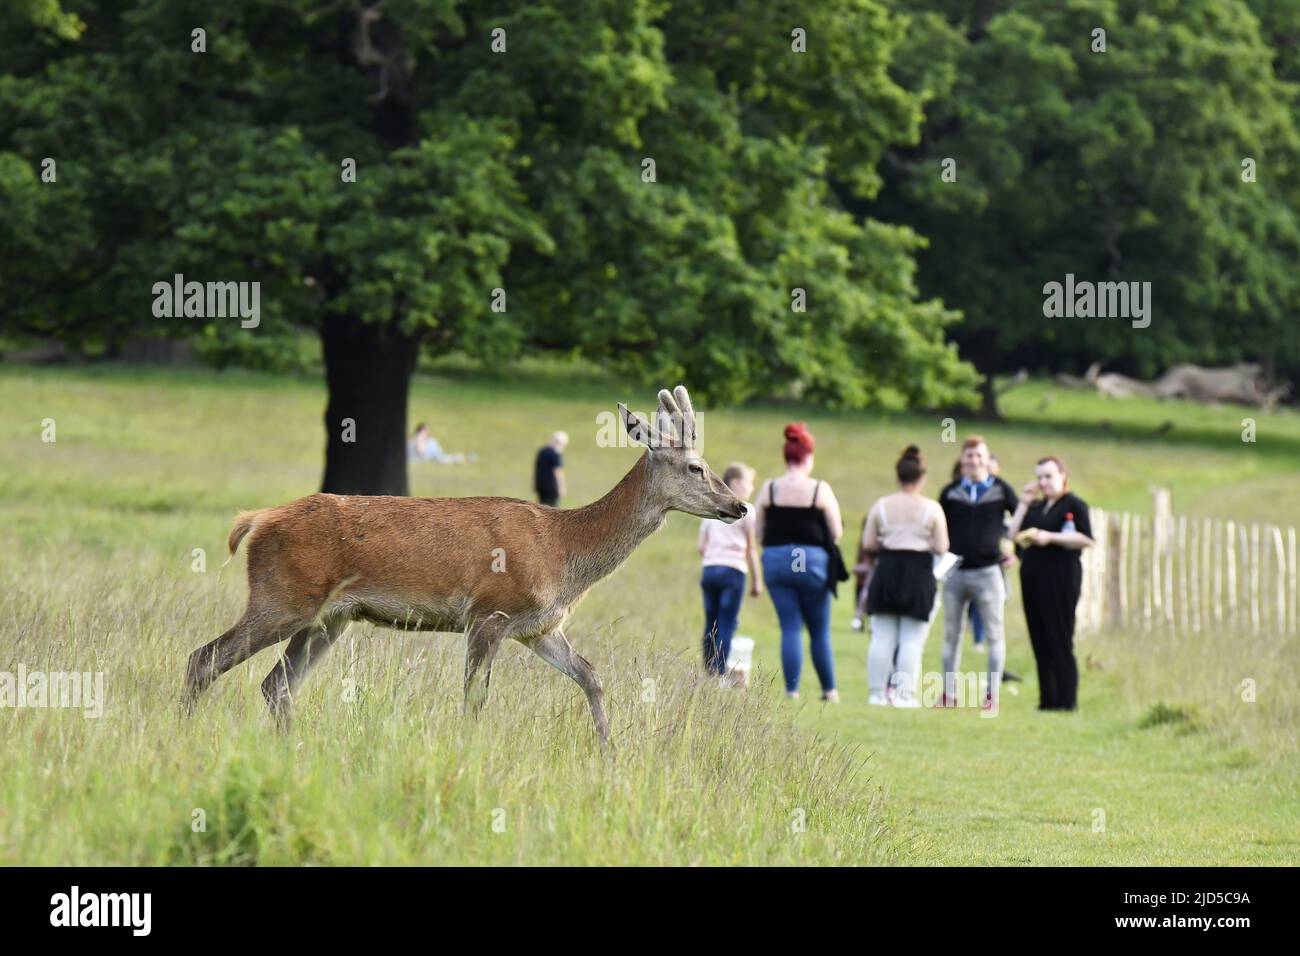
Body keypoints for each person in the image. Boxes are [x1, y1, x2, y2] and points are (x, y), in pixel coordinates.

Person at [755, 423, 847, 702]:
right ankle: (829, 690)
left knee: (790, 627)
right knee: (819, 630)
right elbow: (837, 533)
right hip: (813, 563)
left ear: (787, 457)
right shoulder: (820, 489)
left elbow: (759, 533)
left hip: (776, 561)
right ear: (808, 457)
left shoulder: (769, 488)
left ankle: (791, 690)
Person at [860, 446, 949, 707]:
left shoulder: (882, 505)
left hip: (887, 568)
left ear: (898, 476)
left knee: (882, 635)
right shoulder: (932, 509)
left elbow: (868, 543)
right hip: (918, 572)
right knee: (912, 638)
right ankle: (904, 694)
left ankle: (876, 693)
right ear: (922, 478)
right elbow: (942, 546)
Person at [1007, 456, 1095, 710]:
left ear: (1062, 476)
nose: (1043, 482)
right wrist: (1023, 503)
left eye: (1048, 476)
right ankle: (1047, 700)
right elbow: (1013, 534)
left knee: (1059, 636)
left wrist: (1050, 537)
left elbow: (1087, 538)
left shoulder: (1074, 505)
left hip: (1061, 577)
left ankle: (1067, 701)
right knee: (1039, 637)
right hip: (1033, 577)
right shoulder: (1035, 508)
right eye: (1040, 477)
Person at [937, 436, 1017, 710]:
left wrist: (1015, 550)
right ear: (962, 460)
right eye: (969, 456)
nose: (974, 461)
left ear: (987, 459)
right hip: (955, 572)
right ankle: (949, 694)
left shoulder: (1001, 490)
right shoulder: (950, 493)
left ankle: (991, 696)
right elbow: (939, 528)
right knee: (951, 634)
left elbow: (1020, 522)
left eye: (979, 456)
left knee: (995, 634)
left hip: (988, 572)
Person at [698, 463, 762, 679]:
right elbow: (751, 548)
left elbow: (701, 546)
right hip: (733, 572)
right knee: (727, 621)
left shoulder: (712, 509)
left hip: (709, 570)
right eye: (749, 483)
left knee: (711, 622)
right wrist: (757, 581)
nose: (751, 488)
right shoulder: (746, 509)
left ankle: (708, 670)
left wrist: (713, 558)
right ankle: (719, 671)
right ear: (735, 483)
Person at [533, 431, 568, 506]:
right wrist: (561, 488)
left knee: (541, 508)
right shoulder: (555, 454)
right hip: (552, 488)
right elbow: (558, 472)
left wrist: (535, 484)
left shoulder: (542, 451)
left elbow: (537, 469)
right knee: (553, 511)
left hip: (541, 486)